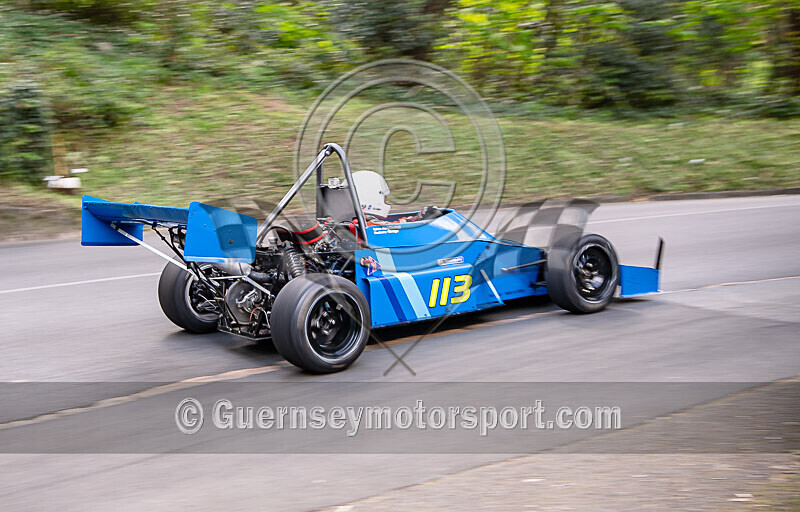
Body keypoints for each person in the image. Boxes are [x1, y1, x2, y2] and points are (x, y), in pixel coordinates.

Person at [349, 170, 439, 226]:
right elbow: (395, 229)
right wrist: (417, 221)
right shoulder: (367, 225)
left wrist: (412, 219)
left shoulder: (351, 222)